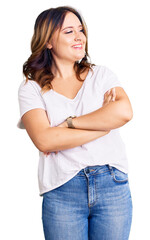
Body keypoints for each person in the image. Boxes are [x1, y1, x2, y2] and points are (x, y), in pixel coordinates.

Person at [17, 6, 133, 240]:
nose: (80, 36)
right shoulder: (31, 88)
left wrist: (67, 125)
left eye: (81, 29)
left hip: (112, 183)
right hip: (62, 190)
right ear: (48, 40)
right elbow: (45, 140)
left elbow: (124, 112)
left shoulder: (101, 75)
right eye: (69, 31)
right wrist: (104, 125)